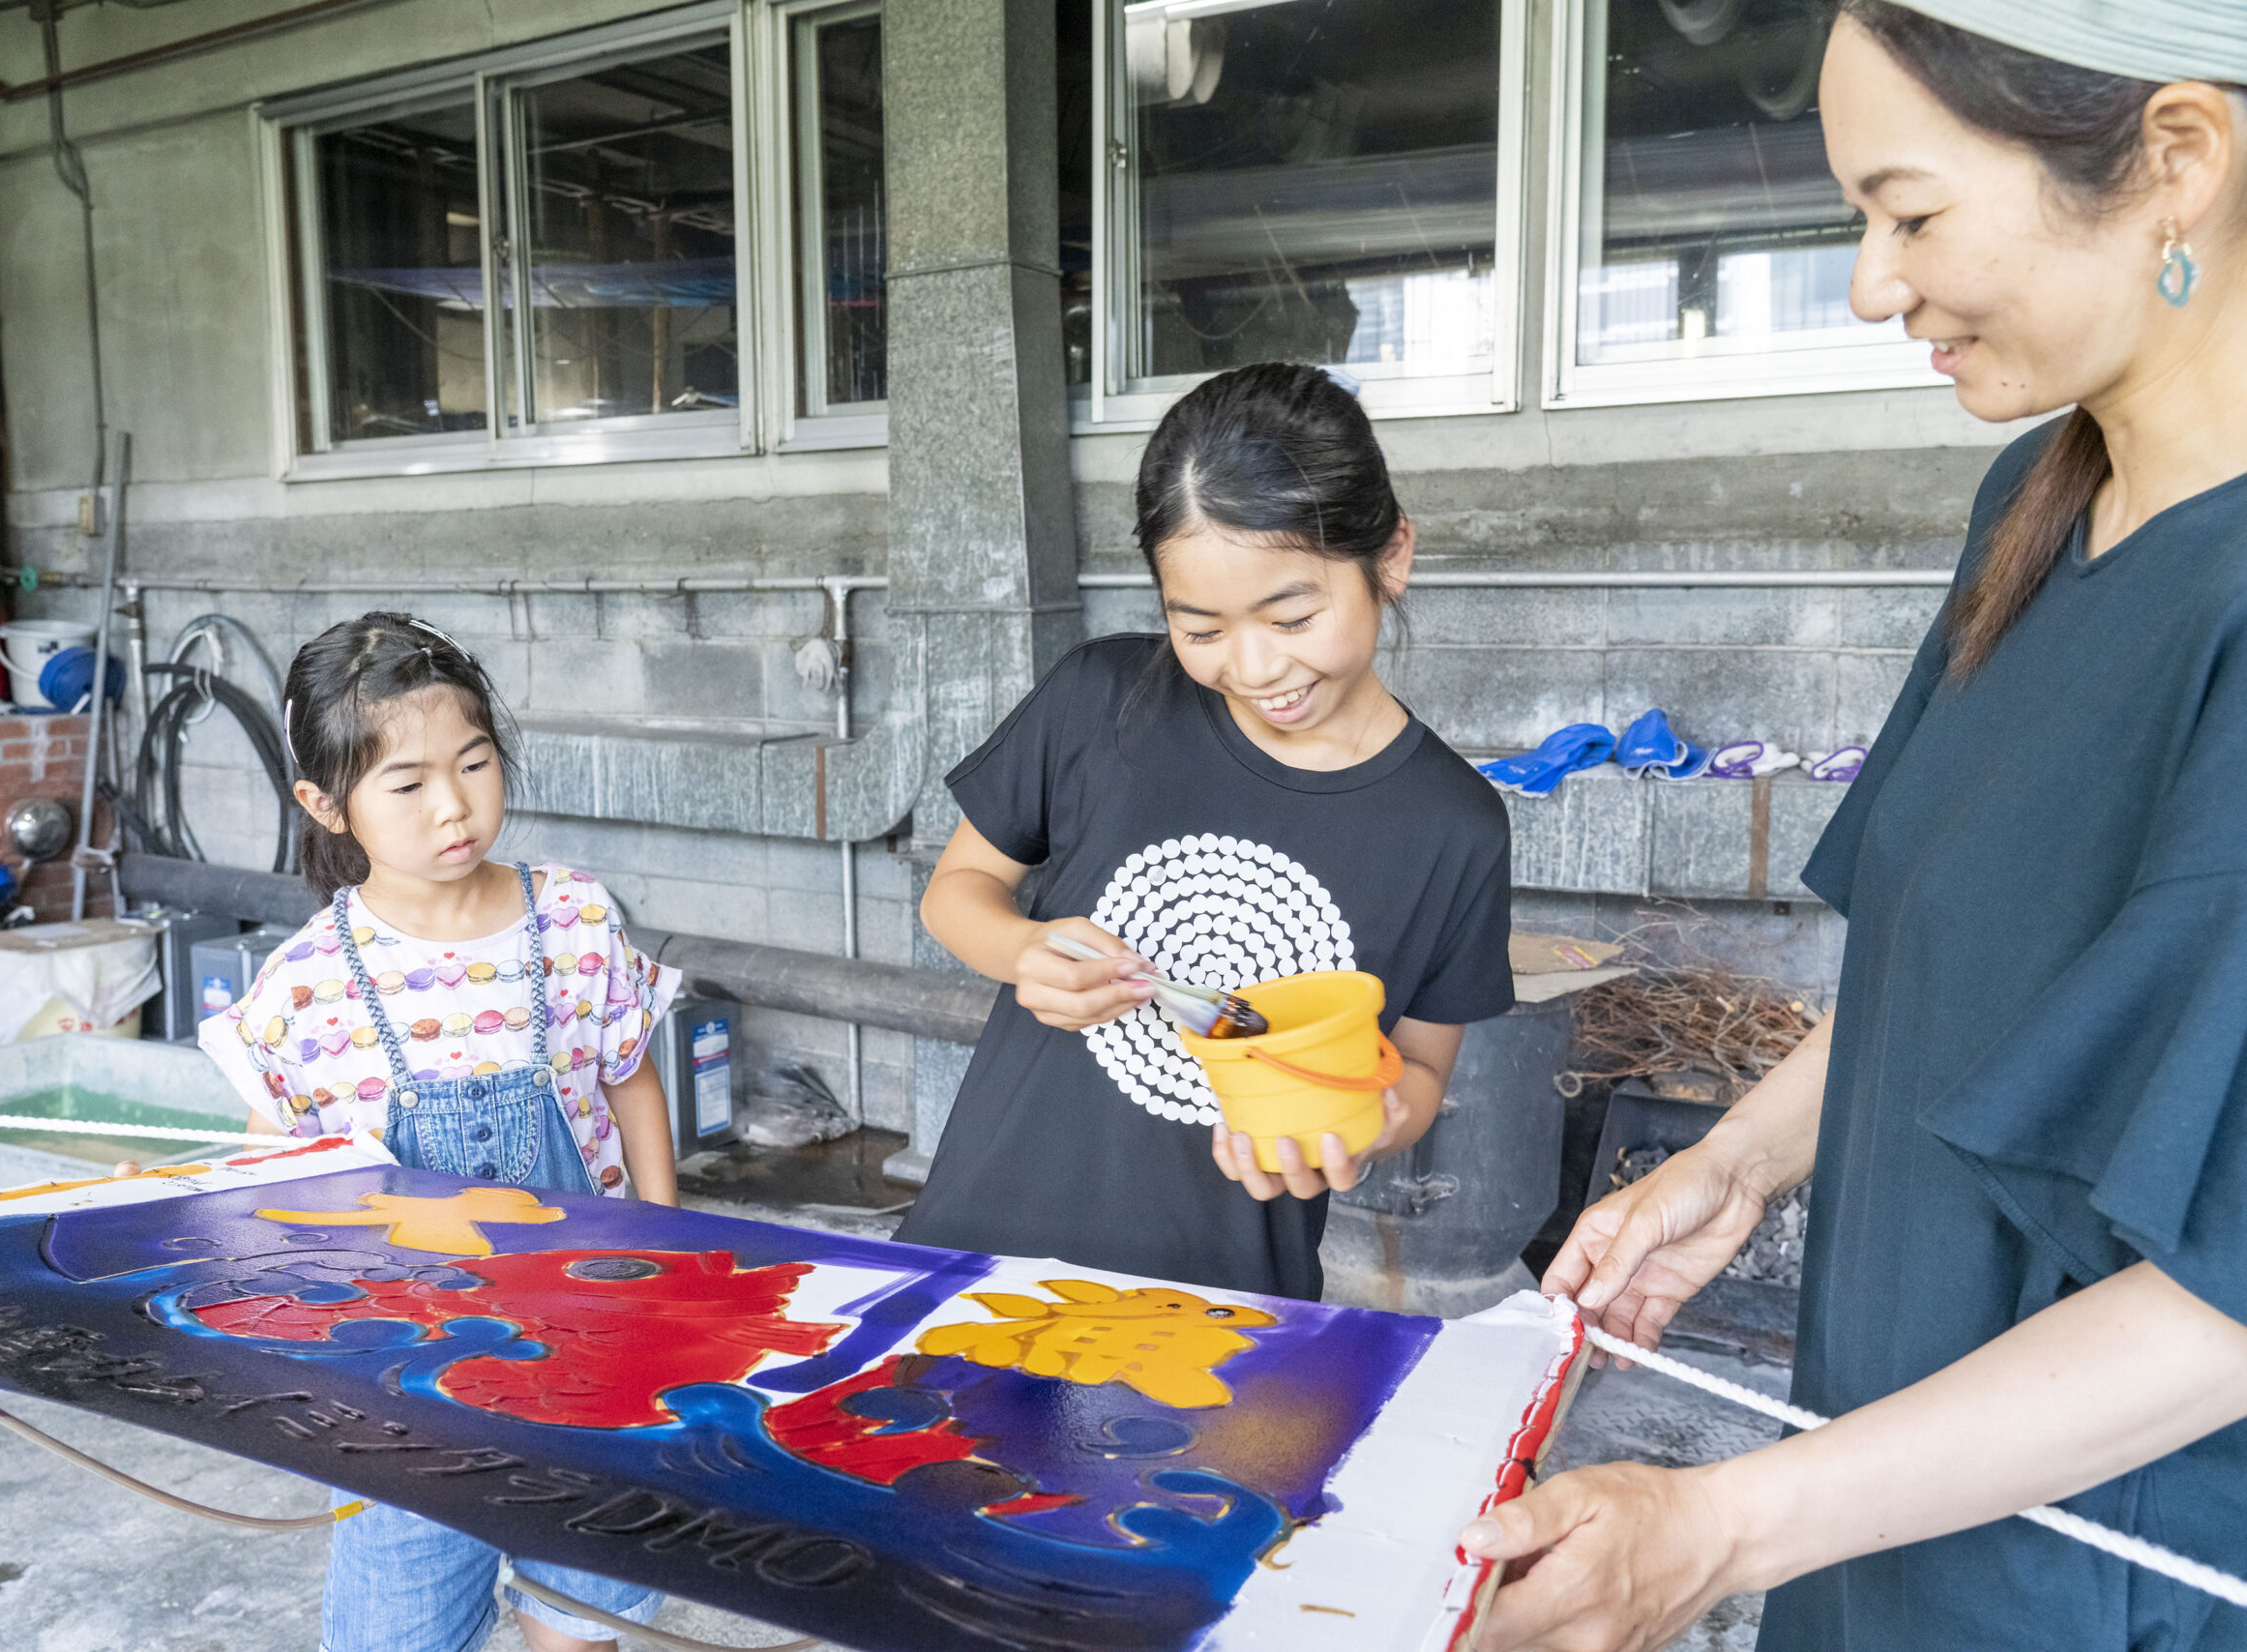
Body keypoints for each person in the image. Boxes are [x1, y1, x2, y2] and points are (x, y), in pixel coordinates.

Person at [1464, 7, 2247, 1650]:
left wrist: (1711, 1525)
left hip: (2103, 1569)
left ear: (2178, 160)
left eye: (1910, 211)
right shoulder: (2038, 502)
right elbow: (1932, 974)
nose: (1872, 285)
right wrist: (1734, 1162)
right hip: (1884, 1500)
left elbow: (2222, 1311)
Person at [894, 362, 1515, 1300]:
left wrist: (1374, 1116)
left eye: (1292, 614)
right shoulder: (1100, 700)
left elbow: (1422, 1067)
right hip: (984, 1252)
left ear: (1389, 558)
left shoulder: (1454, 825)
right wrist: (1024, 949)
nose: (1257, 665)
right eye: (1202, 629)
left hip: (1228, 1302)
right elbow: (956, 891)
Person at [197, 612, 681, 1652]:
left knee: (582, 1614)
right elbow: (269, 1177)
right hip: (396, 1388)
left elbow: (631, 1082)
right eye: (407, 784)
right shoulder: (305, 984)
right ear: (326, 803)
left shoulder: (576, 920)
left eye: (473, 761)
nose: (454, 806)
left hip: (587, 1351)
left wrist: (667, 1251)